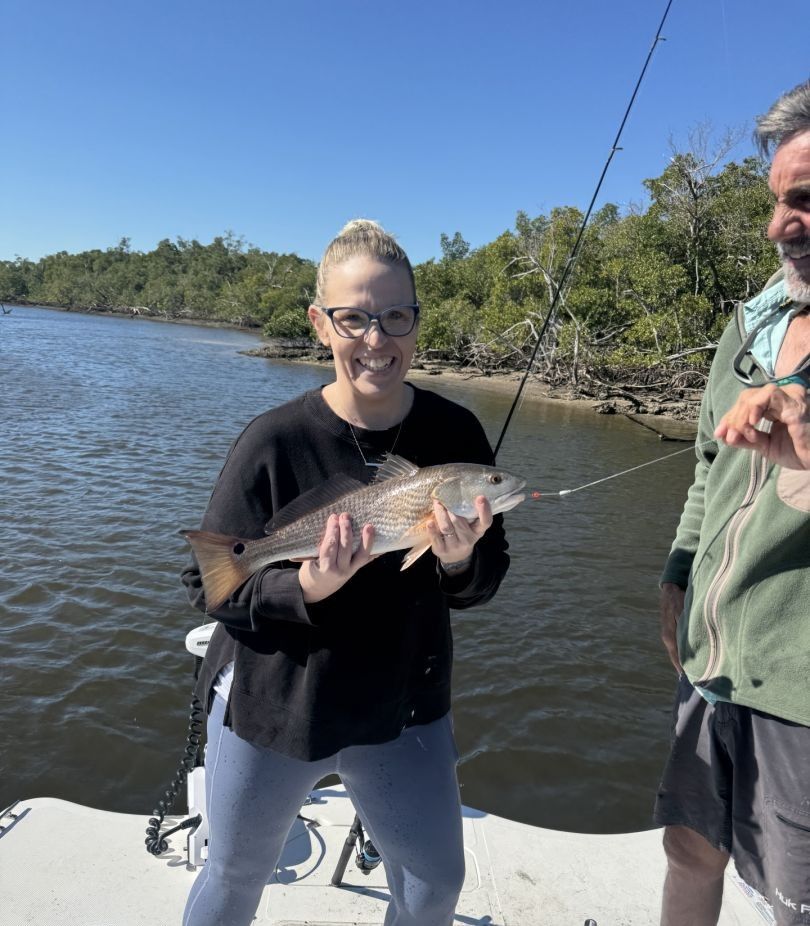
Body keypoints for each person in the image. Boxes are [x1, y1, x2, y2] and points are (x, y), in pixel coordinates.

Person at [181, 219, 512, 926]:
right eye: (354, 317)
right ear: (320, 323)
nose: (376, 339)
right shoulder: (272, 441)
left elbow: (485, 579)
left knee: (433, 890)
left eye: (395, 316)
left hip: (404, 706)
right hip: (280, 705)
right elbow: (209, 585)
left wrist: (457, 558)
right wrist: (304, 587)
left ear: (417, 322)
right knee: (236, 874)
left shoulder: (456, 438)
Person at [655, 79, 810, 926]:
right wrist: (678, 573)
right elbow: (707, 466)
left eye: (809, 199)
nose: (781, 224)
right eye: (778, 200)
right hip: (710, 660)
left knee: (795, 897)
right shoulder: (750, 326)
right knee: (689, 849)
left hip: (802, 690)